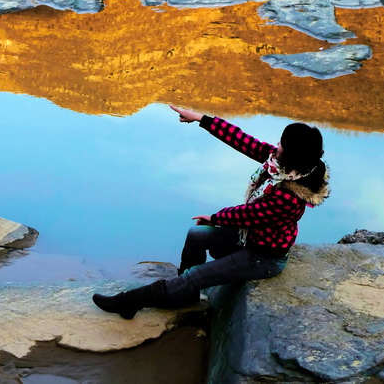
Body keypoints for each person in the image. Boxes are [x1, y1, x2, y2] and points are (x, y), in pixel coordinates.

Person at [92, 105, 330, 320]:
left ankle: (129, 302)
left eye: (281, 145)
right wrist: (200, 118)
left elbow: (248, 215)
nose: (275, 146)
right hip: (249, 238)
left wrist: (216, 218)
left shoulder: (289, 195)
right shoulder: (283, 166)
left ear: (291, 155)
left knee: (194, 276)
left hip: (262, 256)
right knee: (197, 235)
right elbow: (243, 141)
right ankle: (185, 295)